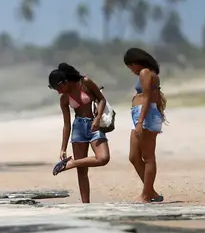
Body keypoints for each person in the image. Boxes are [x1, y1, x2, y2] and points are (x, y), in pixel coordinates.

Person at [48, 62, 111, 204]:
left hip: (94, 125)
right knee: (82, 172)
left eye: (59, 87)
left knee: (103, 158)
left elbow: (101, 99)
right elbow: (66, 125)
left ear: (65, 81)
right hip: (78, 128)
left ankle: (72, 163)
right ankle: (85, 204)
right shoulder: (64, 98)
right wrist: (63, 147)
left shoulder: (85, 82)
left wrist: (98, 117)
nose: (58, 91)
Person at [123, 47, 167, 203]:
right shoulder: (150, 73)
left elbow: (148, 97)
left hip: (145, 116)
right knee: (134, 156)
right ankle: (151, 192)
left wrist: (141, 121)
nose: (130, 70)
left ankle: (146, 195)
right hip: (143, 115)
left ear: (136, 62)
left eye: (130, 65)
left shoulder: (145, 72)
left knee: (148, 157)